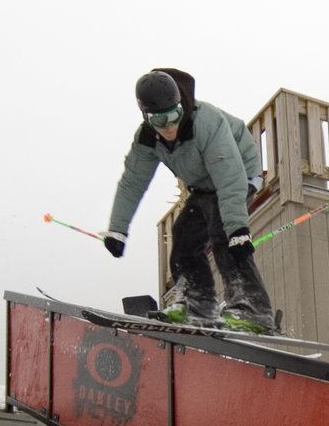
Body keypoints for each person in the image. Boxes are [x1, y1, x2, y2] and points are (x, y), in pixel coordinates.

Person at [100, 68, 277, 333]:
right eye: (158, 121)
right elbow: (132, 183)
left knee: (222, 232)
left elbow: (229, 179)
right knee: (183, 236)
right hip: (203, 185)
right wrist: (118, 229)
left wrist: (238, 229)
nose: (168, 127)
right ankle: (198, 304)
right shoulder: (147, 140)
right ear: (146, 117)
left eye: (173, 116)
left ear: (181, 107)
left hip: (239, 172)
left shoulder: (206, 123)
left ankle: (253, 309)